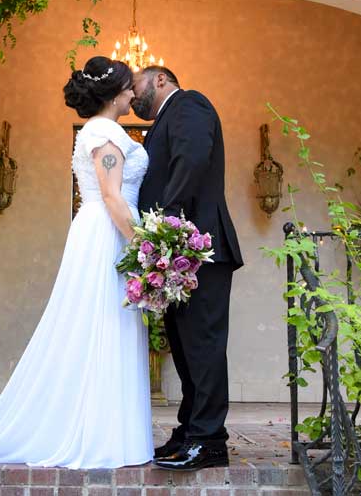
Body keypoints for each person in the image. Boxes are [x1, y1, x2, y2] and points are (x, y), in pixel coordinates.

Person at [0, 56, 152, 469]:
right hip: (108, 231)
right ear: (116, 93)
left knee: (106, 324)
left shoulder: (101, 130)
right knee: (102, 323)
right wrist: (143, 249)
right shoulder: (103, 131)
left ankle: (108, 430)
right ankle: (96, 434)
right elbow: (113, 195)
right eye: (129, 87)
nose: (135, 92)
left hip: (105, 229)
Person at [132, 66, 243, 471]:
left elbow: (192, 158)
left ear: (160, 79)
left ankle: (210, 441)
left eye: (136, 84)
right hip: (179, 251)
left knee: (204, 346)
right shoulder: (165, 119)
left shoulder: (188, 103)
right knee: (185, 347)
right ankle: (189, 431)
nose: (132, 93)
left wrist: (170, 218)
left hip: (199, 248)